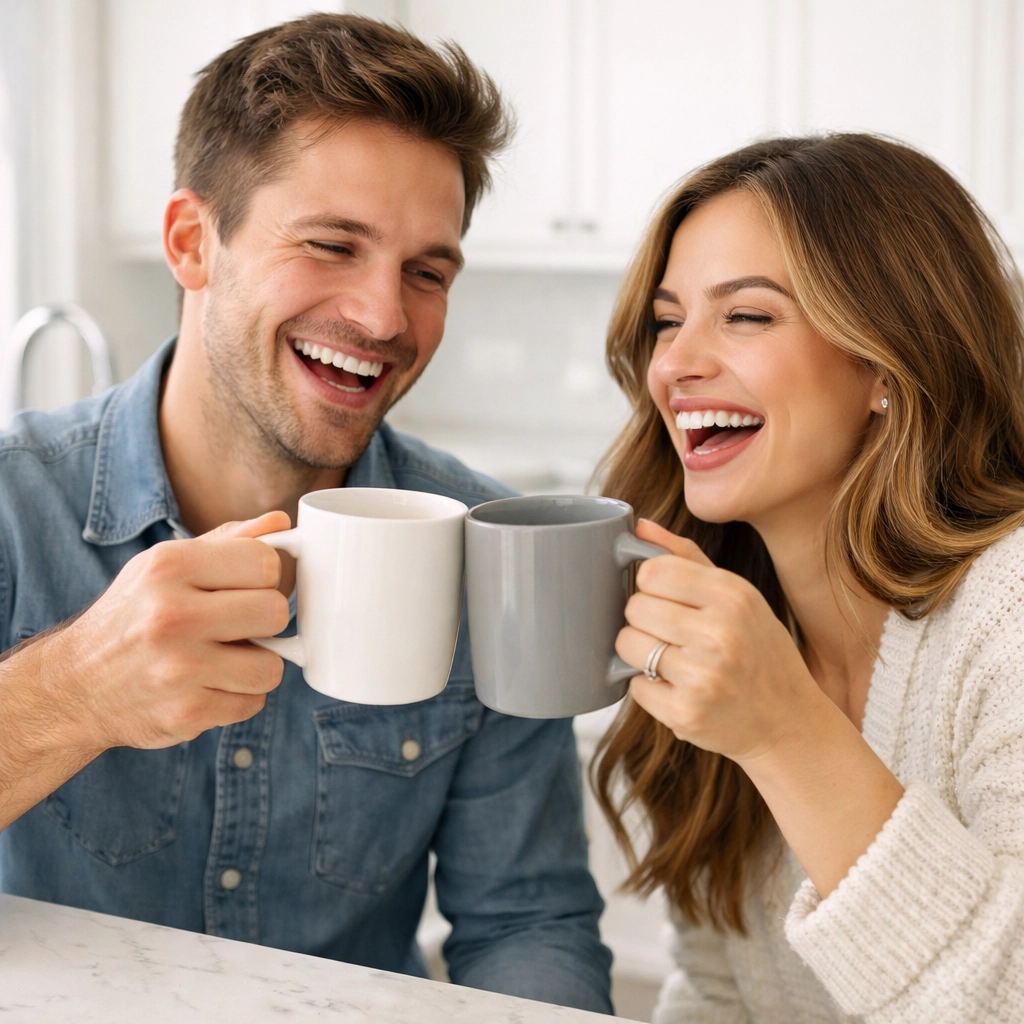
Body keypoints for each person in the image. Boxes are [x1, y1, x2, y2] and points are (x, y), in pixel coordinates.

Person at [0, 14, 612, 1013]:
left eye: (427, 271)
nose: (383, 317)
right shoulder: (14, 500)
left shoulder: (489, 545)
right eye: (332, 245)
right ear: (193, 242)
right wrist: (74, 690)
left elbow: (525, 919)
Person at [592, 133, 1024, 1023]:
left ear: (888, 362)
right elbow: (719, 991)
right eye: (668, 321)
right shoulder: (721, 613)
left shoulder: (1006, 619)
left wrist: (783, 731)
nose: (674, 364)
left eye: (745, 316)